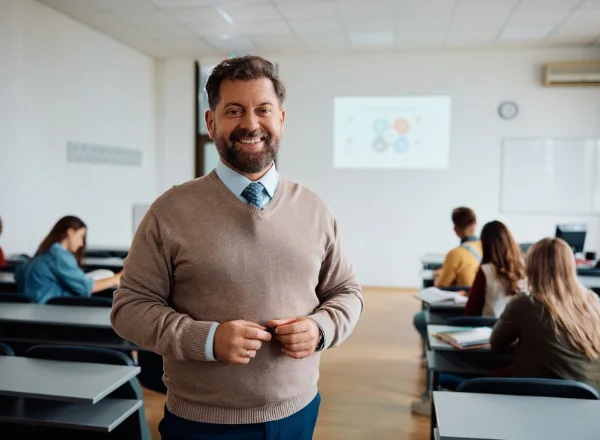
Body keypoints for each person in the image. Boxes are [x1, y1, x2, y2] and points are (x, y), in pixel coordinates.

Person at [110, 56, 363, 440]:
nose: (250, 123)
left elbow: (347, 292)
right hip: (201, 422)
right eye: (234, 110)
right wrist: (208, 340)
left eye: (263, 110)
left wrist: (320, 328)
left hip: (298, 411)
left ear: (281, 119)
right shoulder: (170, 211)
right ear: (211, 123)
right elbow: (129, 309)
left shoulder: (315, 208)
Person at [491, 238, 600, 390]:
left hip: (543, 400)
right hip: (591, 402)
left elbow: (496, 343)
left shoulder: (524, 304)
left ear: (531, 267)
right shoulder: (593, 302)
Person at [411, 207, 482, 416]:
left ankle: (437, 362)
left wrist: (438, 276)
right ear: (475, 222)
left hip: (461, 313)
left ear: (455, 229)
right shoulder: (486, 246)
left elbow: (443, 284)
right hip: (483, 313)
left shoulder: (456, 254)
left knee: (421, 319)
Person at [14, 216, 122, 303]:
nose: (81, 243)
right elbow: (86, 287)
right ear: (70, 232)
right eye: (81, 236)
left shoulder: (43, 252)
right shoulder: (59, 255)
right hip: (51, 313)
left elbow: (18, 275)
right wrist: (117, 278)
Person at [464, 220, 526, 317]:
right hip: (518, 329)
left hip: (490, 329)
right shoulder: (524, 269)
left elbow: (471, 310)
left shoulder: (485, 271)